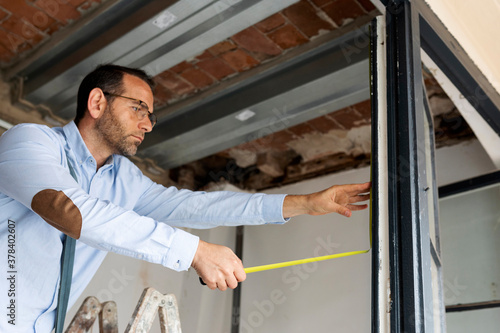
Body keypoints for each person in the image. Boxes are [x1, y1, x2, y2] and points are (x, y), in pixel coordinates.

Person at [0, 64, 370, 332]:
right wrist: (194, 251)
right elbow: (70, 212)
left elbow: (194, 205)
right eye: (138, 109)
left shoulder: (124, 180)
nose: (147, 124)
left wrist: (304, 203)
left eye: (151, 116)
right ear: (97, 102)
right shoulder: (30, 142)